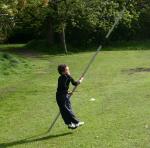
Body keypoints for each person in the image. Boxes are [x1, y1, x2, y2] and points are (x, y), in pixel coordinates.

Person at [56, 64, 84, 129]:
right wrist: (81, 79)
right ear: (63, 72)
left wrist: (68, 93)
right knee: (66, 110)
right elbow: (75, 83)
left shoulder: (60, 78)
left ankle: (70, 124)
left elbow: (62, 88)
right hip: (62, 96)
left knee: (65, 109)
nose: (68, 71)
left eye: (68, 69)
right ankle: (76, 122)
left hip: (61, 95)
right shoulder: (67, 77)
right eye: (67, 70)